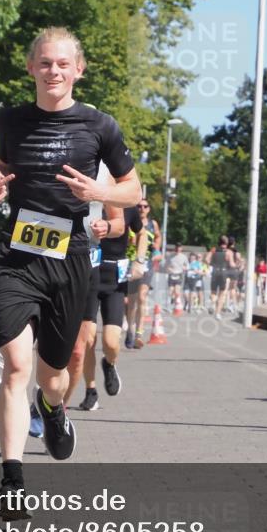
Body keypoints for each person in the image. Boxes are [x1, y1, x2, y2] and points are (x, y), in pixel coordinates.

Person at [0, 27, 141, 520]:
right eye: (45, 63)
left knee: (55, 376)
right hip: (16, 257)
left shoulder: (100, 126)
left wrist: (99, 195)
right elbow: (1, 173)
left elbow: (132, 192)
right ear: (31, 68)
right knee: (15, 366)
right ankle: (11, 479)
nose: (54, 71)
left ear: (79, 70)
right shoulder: (10, 120)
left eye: (63, 64)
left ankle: (53, 410)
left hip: (69, 261)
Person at [64, 165, 143, 411]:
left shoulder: (127, 208)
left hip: (114, 279)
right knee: (86, 340)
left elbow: (141, 233)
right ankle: (91, 389)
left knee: (110, 341)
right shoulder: (85, 199)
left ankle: (109, 363)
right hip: (88, 271)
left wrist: (139, 260)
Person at [125, 200, 160, 348]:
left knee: (142, 296)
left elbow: (157, 237)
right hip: (132, 264)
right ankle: (130, 330)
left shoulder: (153, 224)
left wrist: (157, 249)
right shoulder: (130, 221)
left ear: (149, 209)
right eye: (139, 206)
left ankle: (139, 333)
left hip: (148, 264)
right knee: (130, 301)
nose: (142, 209)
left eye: (145, 206)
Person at [205, 235, 234, 320]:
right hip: (223, 273)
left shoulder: (213, 250)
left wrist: (211, 264)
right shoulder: (229, 252)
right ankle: (217, 313)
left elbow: (206, 260)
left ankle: (213, 303)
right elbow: (232, 264)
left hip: (215, 272)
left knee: (213, 292)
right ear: (227, 243)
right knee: (222, 294)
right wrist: (237, 264)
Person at [165, 243, 189, 311]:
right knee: (170, 291)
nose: (178, 249)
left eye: (179, 248)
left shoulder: (184, 257)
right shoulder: (170, 256)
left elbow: (187, 266)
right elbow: (166, 266)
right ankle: (172, 300)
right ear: (175, 248)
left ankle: (176, 305)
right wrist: (169, 269)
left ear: (181, 249)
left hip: (179, 274)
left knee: (177, 291)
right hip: (172, 274)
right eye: (177, 248)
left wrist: (185, 268)